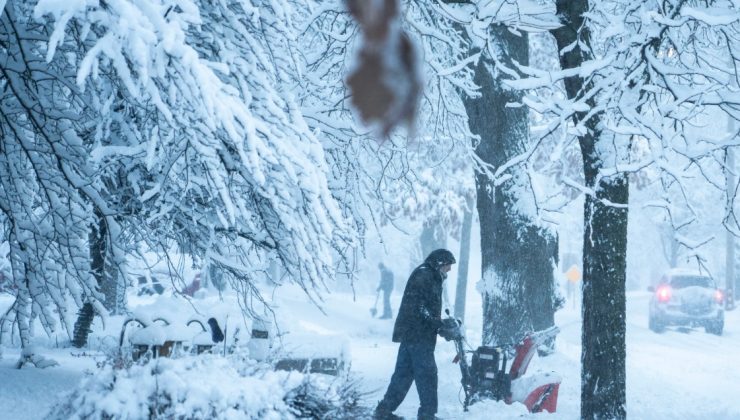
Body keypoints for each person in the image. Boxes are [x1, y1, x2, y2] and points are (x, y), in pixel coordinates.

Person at [374, 249, 456, 420]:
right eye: (448, 266)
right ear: (440, 263)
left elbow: (425, 309)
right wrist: (437, 323)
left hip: (412, 335)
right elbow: (418, 307)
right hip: (418, 336)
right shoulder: (425, 275)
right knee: (427, 375)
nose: (449, 270)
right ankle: (427, 415)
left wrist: (440, 326)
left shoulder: (429, 275)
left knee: (403, 375)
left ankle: (384, 411)